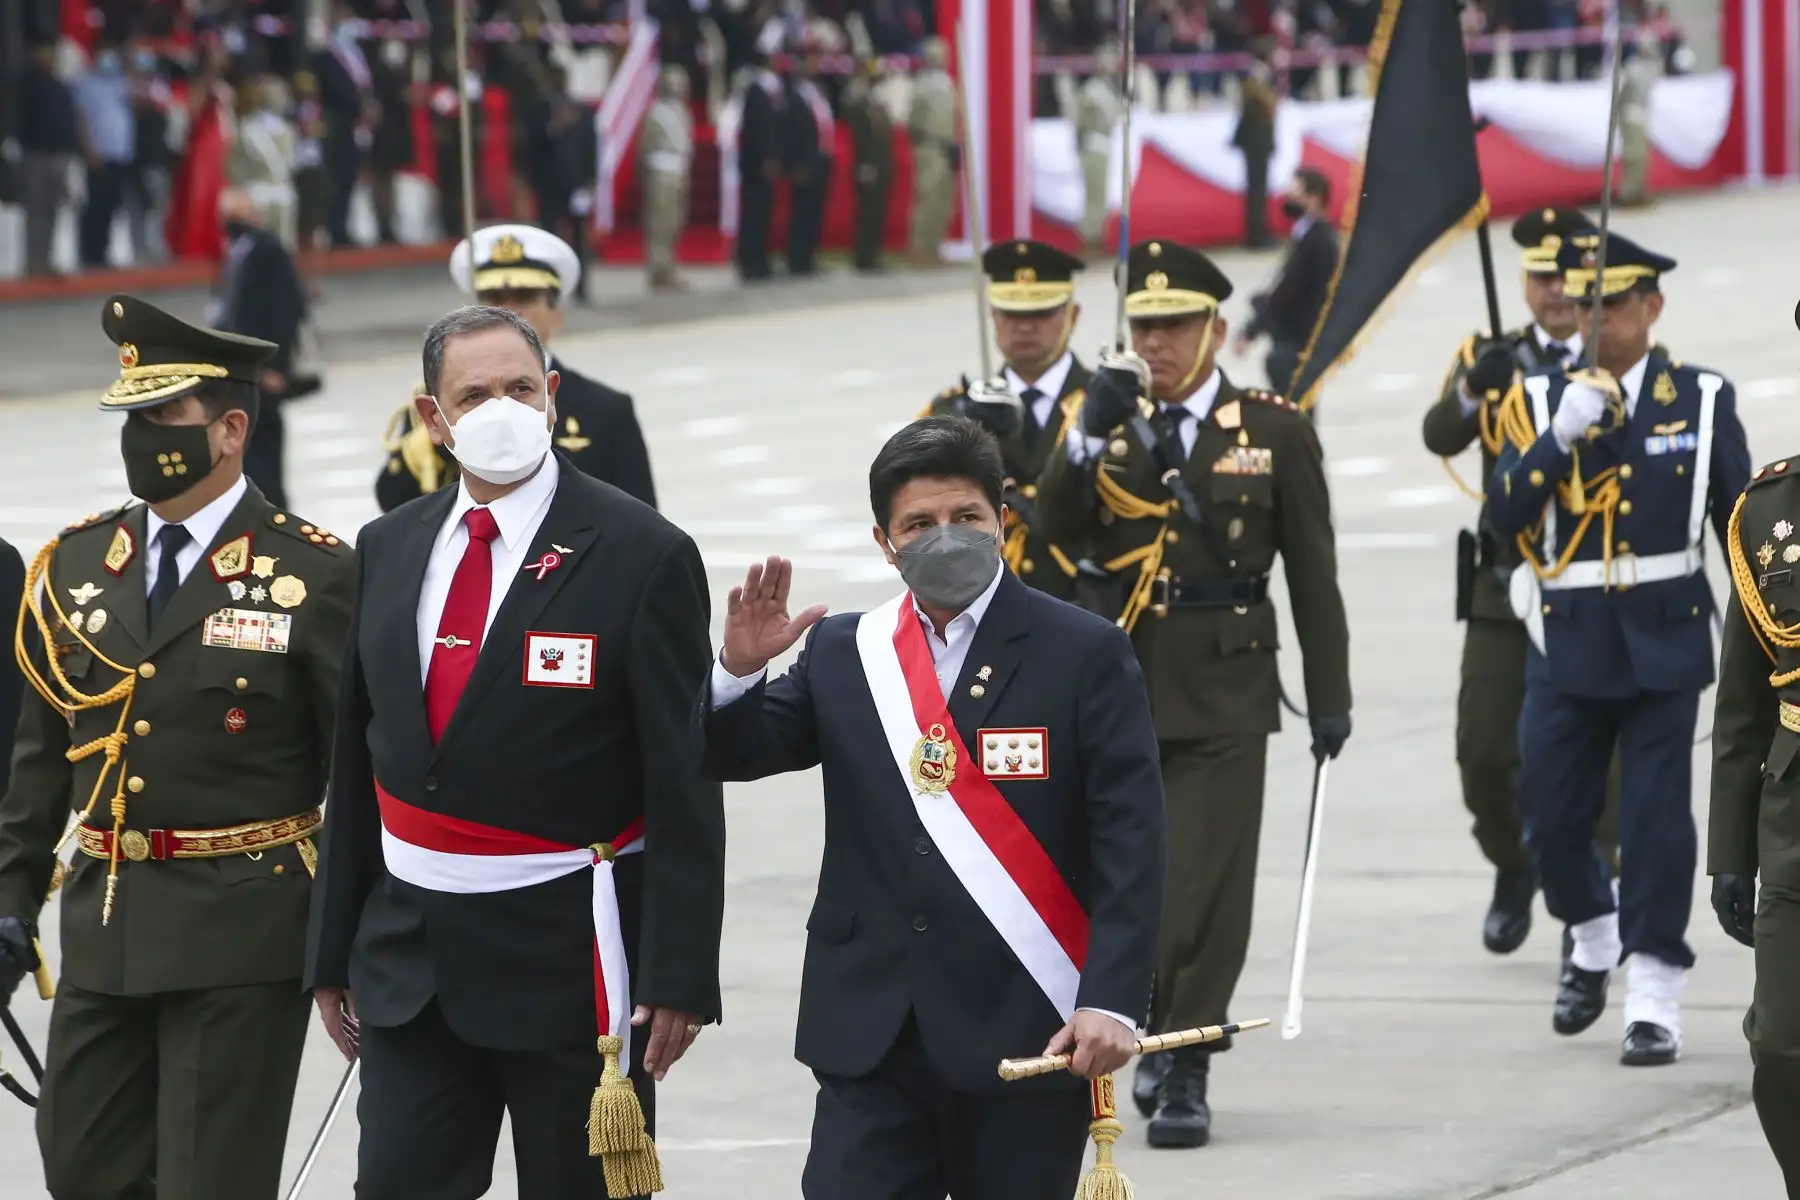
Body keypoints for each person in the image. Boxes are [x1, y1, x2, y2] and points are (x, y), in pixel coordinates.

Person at [304, 304, 724, 1199]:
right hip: (413, 964)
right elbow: (358, 762)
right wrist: (331, 950)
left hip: (570, 969)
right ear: (433, 418)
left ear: (552, 396)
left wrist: (680, 972)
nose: (502, 409)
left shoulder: (641, 552)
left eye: (520, 389)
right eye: (475, 395)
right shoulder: (388, 546)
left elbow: (683, 780)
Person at [699, 415, 1163, 1200]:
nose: (946, 537)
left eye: (966, 516)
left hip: (1026, 1022)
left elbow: (1132, 840)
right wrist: (737, 673)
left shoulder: (1083, 651)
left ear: (1002, 521)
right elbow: (734, 755)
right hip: (870, 1030)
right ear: (885, 543)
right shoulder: (847, 650)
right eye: (919, 524)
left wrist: (1112, 1000)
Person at [0, 295, 353, 1199]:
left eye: (162, 415)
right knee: (80, 1167)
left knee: (211, 1182)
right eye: (131, 415)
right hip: (105, 928)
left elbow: (359, 771)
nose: (139, 436)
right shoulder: (75, 567)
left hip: (242, 933)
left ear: (230, 430)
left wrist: (359, 936)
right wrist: (8, 909)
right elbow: (39, 766)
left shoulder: (312, 573)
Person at [1037, 239, 1351, 1147]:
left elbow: (1312, 571)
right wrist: (1085, 437)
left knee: (1208, 885)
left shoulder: (1274, 429)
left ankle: (1186, 1061)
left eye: (1175, 325)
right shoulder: (1103, 417)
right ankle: (1132, 1017)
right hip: (1119, 681)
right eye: (1144, 326)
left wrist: (1328, 692)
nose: (1157, 343)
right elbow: (1051, 531)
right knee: (1122, 872)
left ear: (1215, 329)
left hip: (1225, 684)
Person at [1487, 231, 1750, 1066]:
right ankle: (1593, 928)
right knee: (1550, 816)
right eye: (1585, 303)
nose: (1595, 319)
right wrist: (1556, 438)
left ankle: (1656, 992)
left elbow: (1739, 527)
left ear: (1651, 307)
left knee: (1657, 821)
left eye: (1613, 304)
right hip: (1568, 636)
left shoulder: (1700, 398)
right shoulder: (1540, 398)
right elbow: (1501, 517)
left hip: (1667, 634)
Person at [1421, 206, 1621, 956]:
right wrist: (1475, 391)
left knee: (1599, 757)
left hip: (1594, 584)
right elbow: (1440, 435)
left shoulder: (1616, 352)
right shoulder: (1491, 354)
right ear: (1526, 283)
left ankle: (1590, 904)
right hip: (1505, 587)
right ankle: (1514, 865)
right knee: (1484, 753)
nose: (1557, 291)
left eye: (1571, 277)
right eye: (1543, 276)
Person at [375, 225, 658, 511]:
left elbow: (642, 524)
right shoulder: (442, 404)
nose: (507, 311)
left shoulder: (605, 411)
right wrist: (435, 452)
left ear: (555, 315)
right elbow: (396, 507)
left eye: (524, 297)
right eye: (493, 299)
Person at [1709, 449, 1800, 1195]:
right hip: (1794, 822)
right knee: (1780, 1048)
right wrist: (1731, 852)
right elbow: (1743, 705)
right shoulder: (1771, 511)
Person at [923, 240, 1093, 602]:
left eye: (1042, 312)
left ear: (1073, 315)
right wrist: (969, 437)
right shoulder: (953, 410)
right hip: (983, 604)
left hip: (1085, 602)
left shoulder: (1105, 405)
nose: (1025, 326)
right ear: (993, 315)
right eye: (1011, 313)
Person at [209, 187, 315, 511]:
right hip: (237, 372)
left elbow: (287, 309)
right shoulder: (236, 251)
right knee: (243, 451)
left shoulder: (267, 250)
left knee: (263, 453)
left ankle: (273, 517)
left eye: (236, 214)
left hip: (260, 370)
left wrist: (276, 366)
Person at [1235, 166, 1338, 397]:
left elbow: (1289, 289)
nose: (1288, 199)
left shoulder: (1318, 240)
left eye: (1295, 193)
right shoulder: (1308, 234)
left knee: (1292, 393)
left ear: (1314, 198)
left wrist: (1253, 329)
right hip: (1297, 334)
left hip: (1300, 337)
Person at [783, 39, 836, 278]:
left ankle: (809, 257)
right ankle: (797, 259)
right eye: (812, 60)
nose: (816, 65)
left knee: (815, 211)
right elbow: (792, 131)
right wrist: (796, 163)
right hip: (804, 161)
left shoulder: (818, 91)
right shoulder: (795, 94)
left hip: (821, 158)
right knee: (802, 212)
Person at [640, 66, 695, 292]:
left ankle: (670, 266)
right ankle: (658, 268)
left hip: (679, 170)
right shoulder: (655, 113)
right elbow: (645, 147)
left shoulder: (683, 113)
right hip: (661, 170)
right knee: (659, 223)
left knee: (674, 221)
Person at [735, 53, 786, 283]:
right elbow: (759, 130)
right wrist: (767, 158)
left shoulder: (770, 91)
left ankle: (760, 259)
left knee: (764, 214)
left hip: (764, 163)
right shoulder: (757, 92)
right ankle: (750, 261)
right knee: (754, 214)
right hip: (757, 166)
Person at [907, 38, 957, 267]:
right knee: (927, 196)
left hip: (946, 146)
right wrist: (922, 140)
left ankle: (935, 246)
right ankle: (920, 248)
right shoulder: (922, 85)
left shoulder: (948, 83)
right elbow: (914, 118)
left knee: (943, 199)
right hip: (929, 146)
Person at [844, 57, 894, 274]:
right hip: (868, 166)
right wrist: (864, 165)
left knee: (877, 213)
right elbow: (861, 140)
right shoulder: (860, 104)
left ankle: (873, 254)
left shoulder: (879, 103)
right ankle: (864, 257)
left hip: (882, 165)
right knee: (867, 213)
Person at [1076, 45, 1121, 257]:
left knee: (1100, 194)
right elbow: (1083, 122)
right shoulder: (1093, 91)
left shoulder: (1106, 90)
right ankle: (1091, 237)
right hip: (1094, 145)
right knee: (1094, 195)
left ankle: (1098, 235)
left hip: (1101, 145)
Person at [1231, 48, 1278, 251]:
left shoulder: (1257, 77)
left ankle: (1259, 232)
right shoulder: (1255, 78)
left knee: (1258, 190)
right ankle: (1256, 235)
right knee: (1257, 190)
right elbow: (1262, 107)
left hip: (1257, 141)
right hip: (1256, 141)